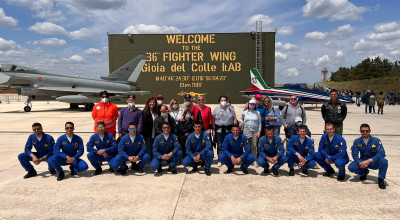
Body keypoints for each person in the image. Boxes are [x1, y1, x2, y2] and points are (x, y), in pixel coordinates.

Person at [348, 124, 388, 189]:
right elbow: (354, 154)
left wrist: (368, 161)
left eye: (367, 131)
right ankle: (364, 172)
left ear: (370, 131)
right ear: (360, 131)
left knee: (384, 161)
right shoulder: (357, 141)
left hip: (373, 162)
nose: (365, 132)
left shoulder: (376, 140)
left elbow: (381, 153)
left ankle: (381, 179)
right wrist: (359, 162)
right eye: (363, 131)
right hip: (363, 161)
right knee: (351, 167)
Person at [213, 95, 237, 167]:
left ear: (226, 101)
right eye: (221, 100)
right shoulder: (216, 109)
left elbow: (234, 118)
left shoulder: (230, 109)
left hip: (228, 130)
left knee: (228, 144)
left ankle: (229, 158)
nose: (223, 102)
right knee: (220, 145)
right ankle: (220, 160)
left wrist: (235, 128)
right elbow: (213, 120)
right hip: (219, 130)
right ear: (219, 102)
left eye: (224, 100)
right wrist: (213, 130)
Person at [239, 99, 261, 164]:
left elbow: (259, 123)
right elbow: (241, 118)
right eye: (251, 104)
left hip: (255, 131)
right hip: (246, 131)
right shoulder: (245, 112)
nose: (252, 105)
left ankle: (254, 159)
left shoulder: (257, 113)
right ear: (248, 104)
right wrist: (241, 121)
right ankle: (247, 158)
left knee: (254, 146)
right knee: (247, 146)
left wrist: (259, 131)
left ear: (255, 105)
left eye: (253, 104)